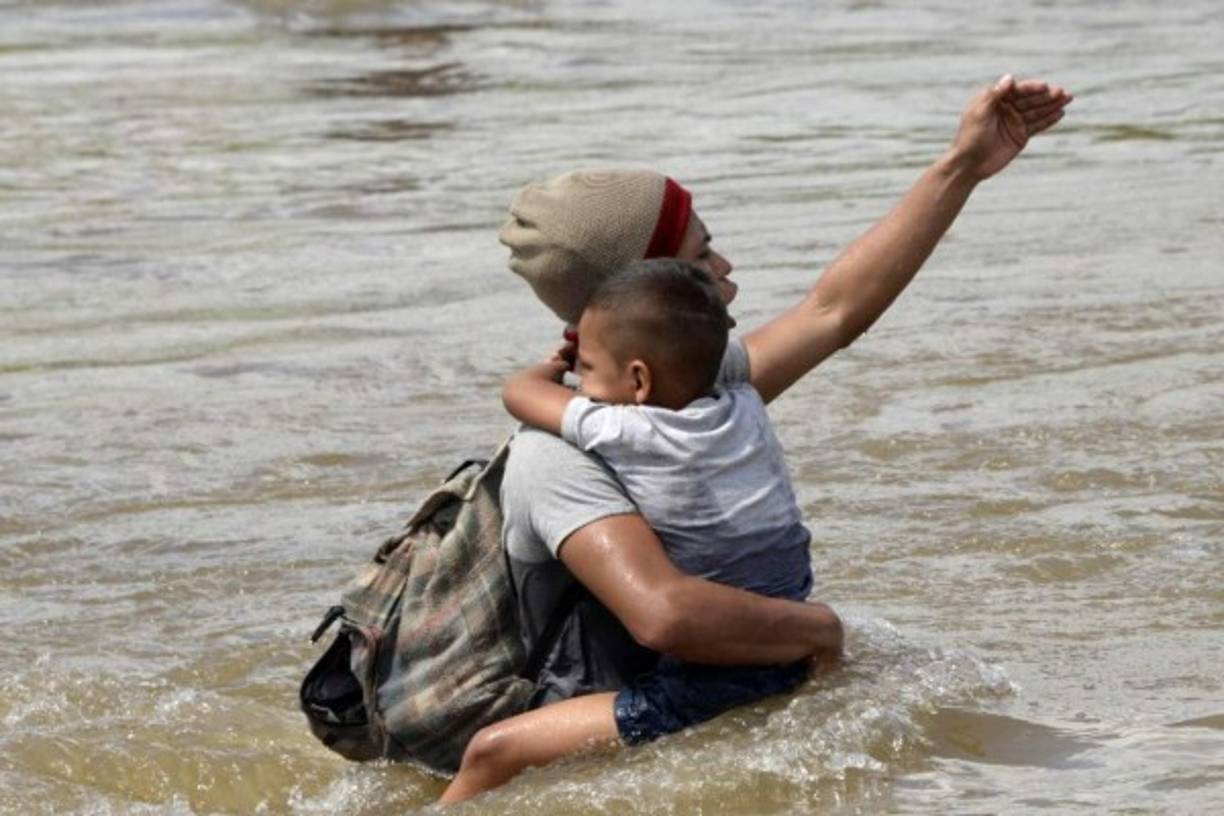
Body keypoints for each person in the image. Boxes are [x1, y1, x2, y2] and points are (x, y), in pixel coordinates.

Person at [444, 74, 1072, 803]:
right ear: (651, 288)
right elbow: (665, 612)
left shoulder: (704, 388)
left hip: (697, 721)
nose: (725, 265)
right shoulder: (558, 453)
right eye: (703, 253)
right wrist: (820, 630)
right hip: (592, 757)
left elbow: (835, 310)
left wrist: (962, 164)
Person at [440, 259, 835, 802]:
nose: (583, 383)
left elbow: (518, 393)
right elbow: (833, 309)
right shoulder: (744, 403)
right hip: (791, 628)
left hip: (707, 680)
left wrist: (548, 369)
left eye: (589, 368)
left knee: (490, 751)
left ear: (639, 381)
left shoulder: (622, 429)